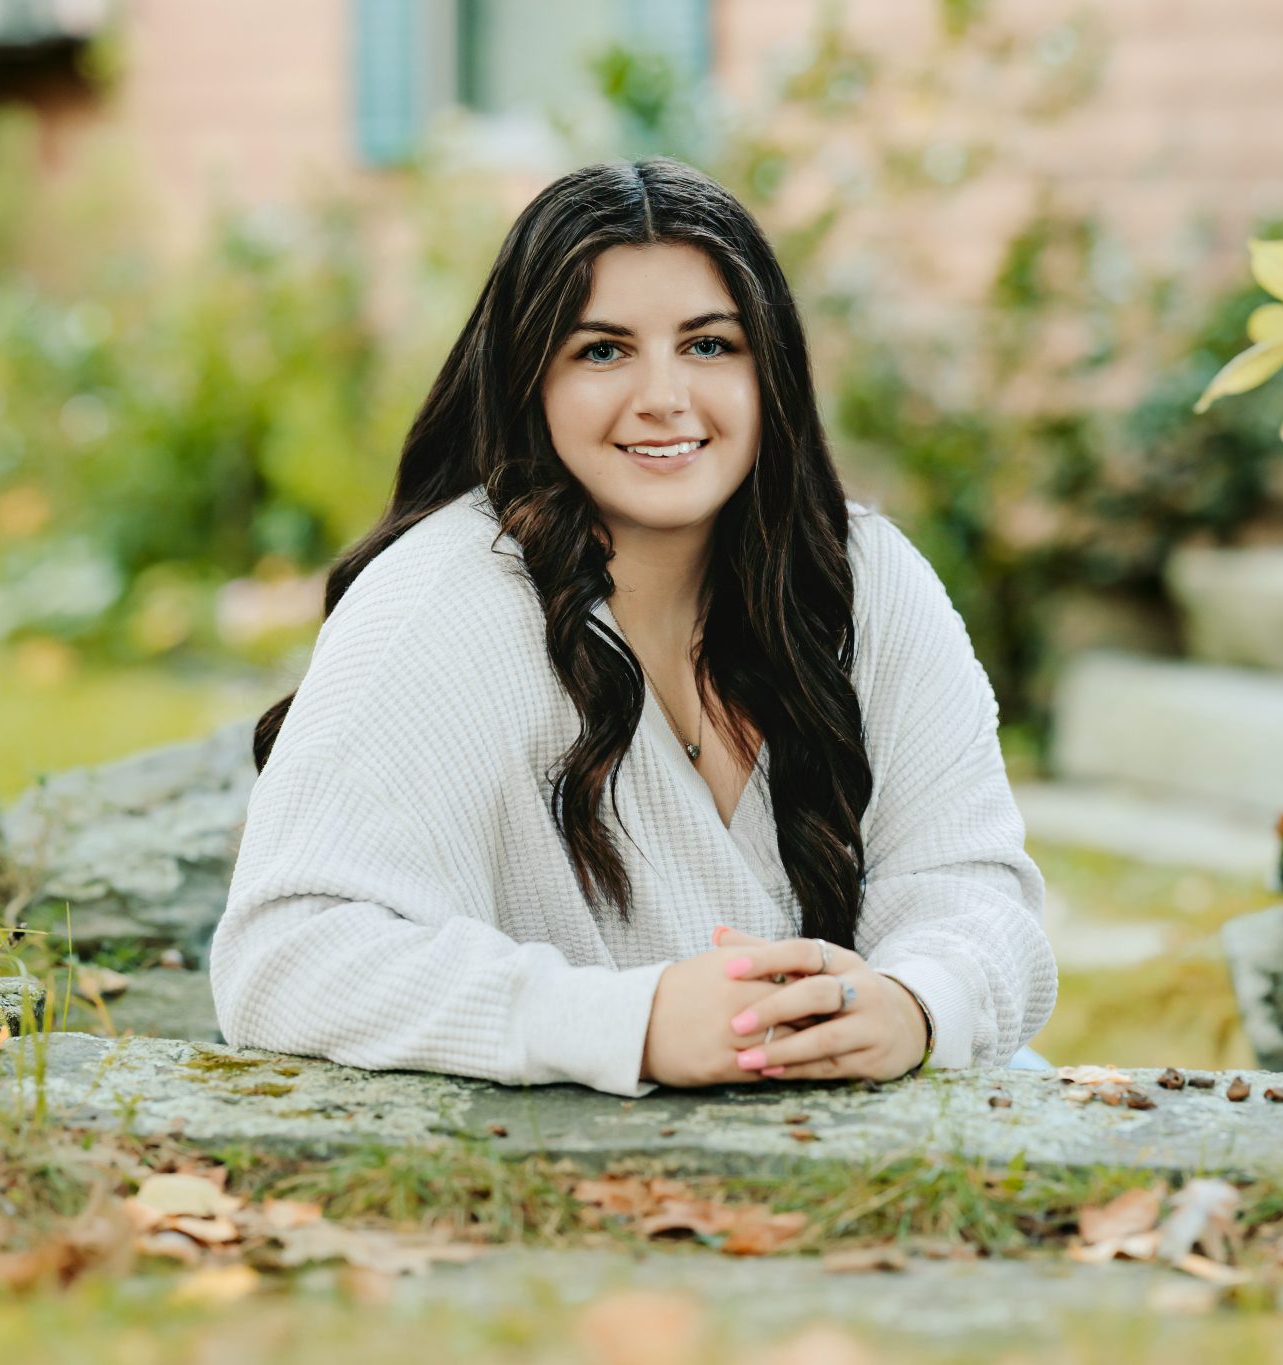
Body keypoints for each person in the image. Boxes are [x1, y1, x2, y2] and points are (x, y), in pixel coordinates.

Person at [210, 157, 1057, 1098]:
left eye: (708, 344)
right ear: (529, 377)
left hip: (892, 1146)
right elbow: (284, 957)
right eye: (603, 350)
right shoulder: (441, 604)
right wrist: (631, 1023)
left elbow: (979, 887)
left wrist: (913, 1001)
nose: (664, 397)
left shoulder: (864, 577)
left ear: (768, 366)